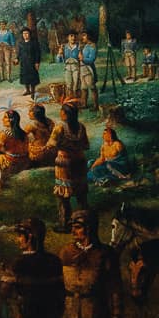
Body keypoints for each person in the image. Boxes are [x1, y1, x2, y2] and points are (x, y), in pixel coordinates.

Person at [52, 97, 90, 231]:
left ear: (66, 114)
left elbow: (52, 145)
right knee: (81, 192)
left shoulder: (59, 128)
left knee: (63, 194)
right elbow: (86, 145)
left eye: (61, 111)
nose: (60, 113)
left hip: (64, 163)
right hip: (79, 161)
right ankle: (85, 219)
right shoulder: (81, 127)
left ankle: (65, 224)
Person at [89, 108, 132, 188]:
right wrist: (93, 166)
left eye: (105, 134)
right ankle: (101, 178)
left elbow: (123, 158)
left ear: (110, 135)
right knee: (91, 164)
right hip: (108, 164)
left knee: (105, 166)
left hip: (119, 166)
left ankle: (114, 178)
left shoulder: (117, 144)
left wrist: (109, 162)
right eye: (103, 134)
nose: (103, 136)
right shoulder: (104, 146)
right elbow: (101, 158)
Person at [0, 106, 28, 173]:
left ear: (11, 120)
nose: (2, 119)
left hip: (12, 163)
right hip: (24, 162)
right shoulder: (23, 133)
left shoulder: (4, 134)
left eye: (5, 117)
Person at [16, 15, 42, 99]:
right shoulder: (20, 43)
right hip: (24, 63)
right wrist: (17, 58)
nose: (25, 35)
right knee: (25, 76)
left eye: (26, 33)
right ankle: (27, 90)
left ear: (29, 34)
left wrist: (37, 62)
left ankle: (33, 92)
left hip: (32, 63)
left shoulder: (34, 42)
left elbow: (38, 53)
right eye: (24, 34)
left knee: (32, 77)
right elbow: (19, 53)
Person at [78, 33, 99, 108]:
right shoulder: (85, 46)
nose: (82, 37)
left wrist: (83, 59)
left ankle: (95, 105)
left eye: (84, 35)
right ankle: (84, 104)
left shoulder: (92, 46)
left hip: (88, 69)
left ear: (89, 36)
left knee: (92, 87)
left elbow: (92, 59)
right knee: (83, 88)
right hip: (82, 69)